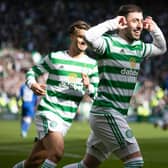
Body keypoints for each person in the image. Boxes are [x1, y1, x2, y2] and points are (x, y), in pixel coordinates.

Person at [63, 4, 167, 168]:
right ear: (123, 22)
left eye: (141, 20)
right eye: (135, 21)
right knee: (135, 162)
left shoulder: (139, 48)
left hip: (116, 114)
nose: (140, 25)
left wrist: (154, 29)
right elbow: (88, 36)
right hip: (106, 112)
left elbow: (162, 48)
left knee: (86, 166)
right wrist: (112, 23)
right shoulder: (108, 44)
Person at [13, 20, 99, 168]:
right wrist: (32, 84)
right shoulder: (55, 57)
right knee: (57, 153)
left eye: (87, 38)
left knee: (34, 162)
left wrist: (88, 86)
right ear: (72, 36)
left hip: (66, 119)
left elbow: (96, 95)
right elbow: (32, 72)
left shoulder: (92, 65)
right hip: (49, 111)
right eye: (80, 37)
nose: (83, 41)